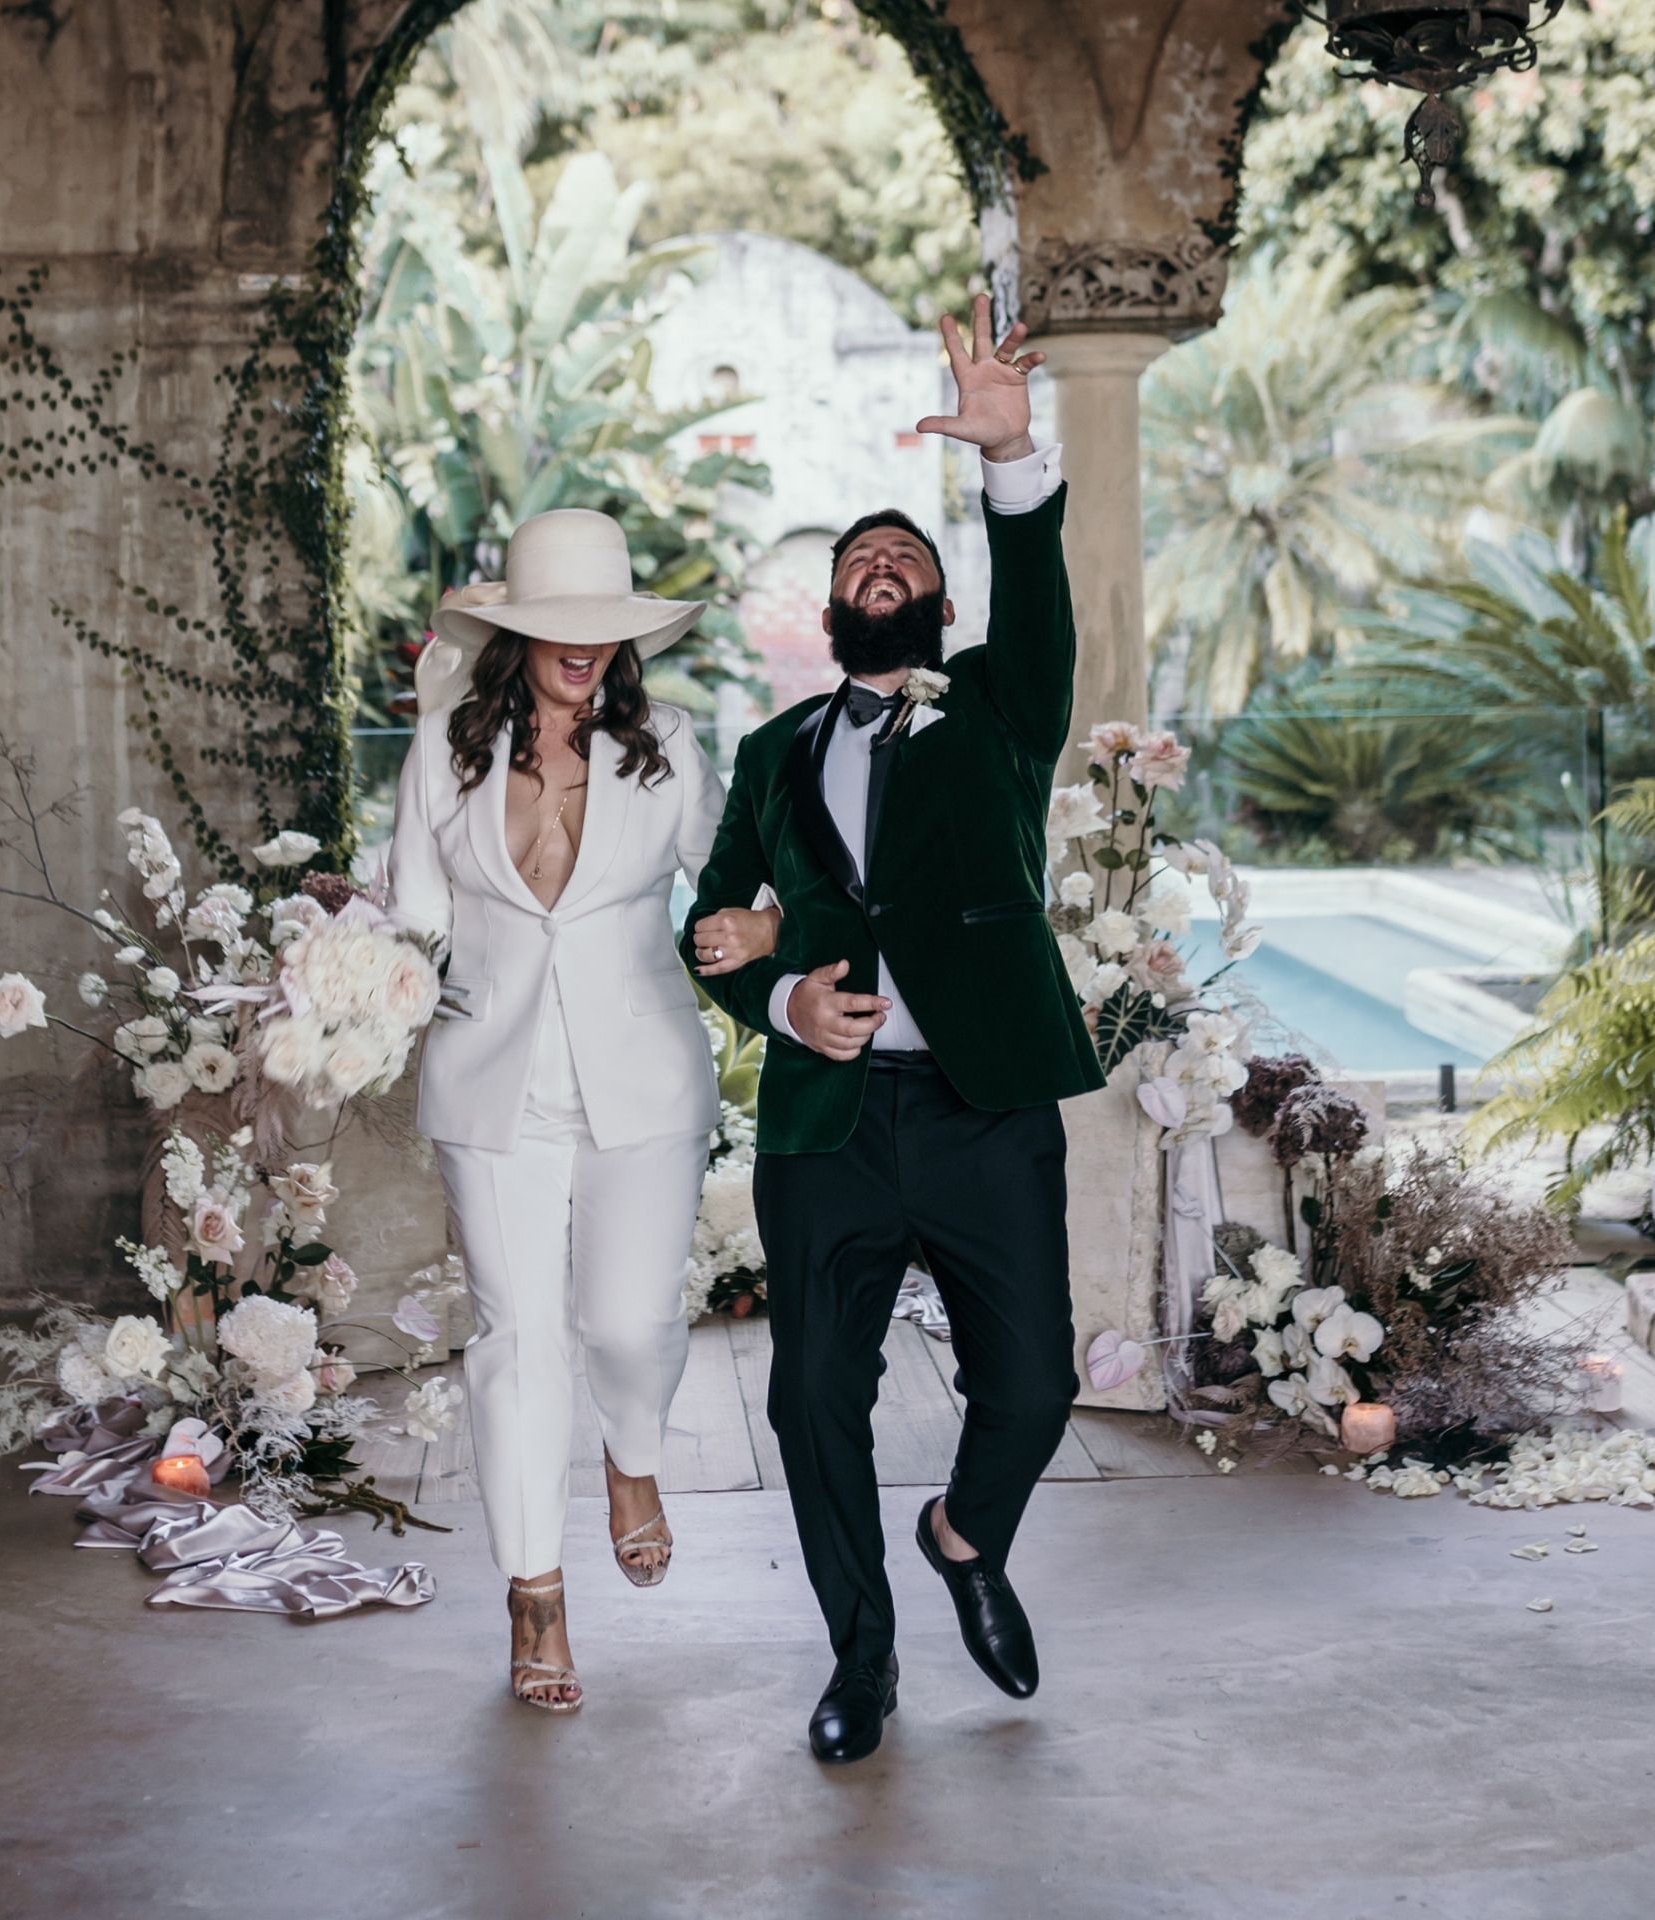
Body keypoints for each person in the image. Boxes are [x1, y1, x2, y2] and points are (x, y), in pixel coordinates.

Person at [679, 294, 1107, 1763]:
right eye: (864, 557)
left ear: (932, 603)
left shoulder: (996, 712)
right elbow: (715, 926)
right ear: (831, 605)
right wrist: (775, 991)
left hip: (984, 1106)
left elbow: (1040, 611)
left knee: (1036, 1384)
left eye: (908, 558)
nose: (883, 564)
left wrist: (1009, 466)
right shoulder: (771, 752)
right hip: (829, 1130)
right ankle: (862, 1658)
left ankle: (964, 1539)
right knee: (811, 1401)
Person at [388, 508, 776, 1713]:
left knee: (624, 1324)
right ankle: (534, 1593)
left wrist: (759, 924)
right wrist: (357, 972)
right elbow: (413, 915)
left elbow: (736, 872)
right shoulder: (445, 752)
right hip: (490, 1085)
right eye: (560, 628)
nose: (582, 649)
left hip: (644, 1077)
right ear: (517, 635)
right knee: (518, 1340)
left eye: (602, 630)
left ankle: (635, 1458)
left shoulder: (663, 742)